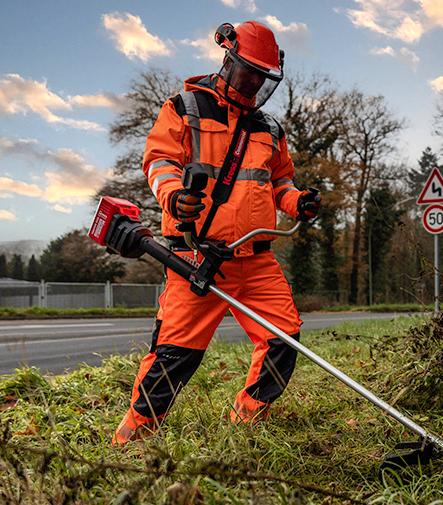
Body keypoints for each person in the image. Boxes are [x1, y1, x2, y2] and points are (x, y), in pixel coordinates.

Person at [113, 21, 321, 445]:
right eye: (249, 73)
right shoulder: (184, 107)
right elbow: (159, 162)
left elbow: (279, 183)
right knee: (175, 355)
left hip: (257, 260)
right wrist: (173, 198)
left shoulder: (270, 130)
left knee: (283, 340)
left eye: (263, 77)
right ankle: (132, 438)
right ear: (228, 58)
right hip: (194, 256)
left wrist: (297, 201)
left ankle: (243, 421)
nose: (255, 83)